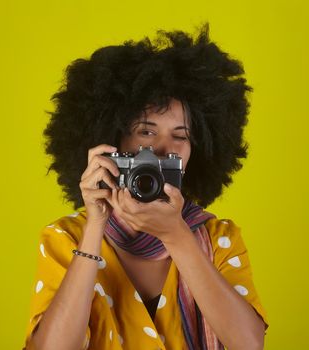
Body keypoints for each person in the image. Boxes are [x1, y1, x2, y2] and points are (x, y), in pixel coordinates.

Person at [23, 23, 269, 350]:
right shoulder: (65, 237)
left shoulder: (219, 239)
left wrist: (176, 235)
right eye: (146, 132)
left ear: (198, 151)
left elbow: (248, 345)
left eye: (180, 136)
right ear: (114, 141)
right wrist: (96, 223)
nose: (162, 150)